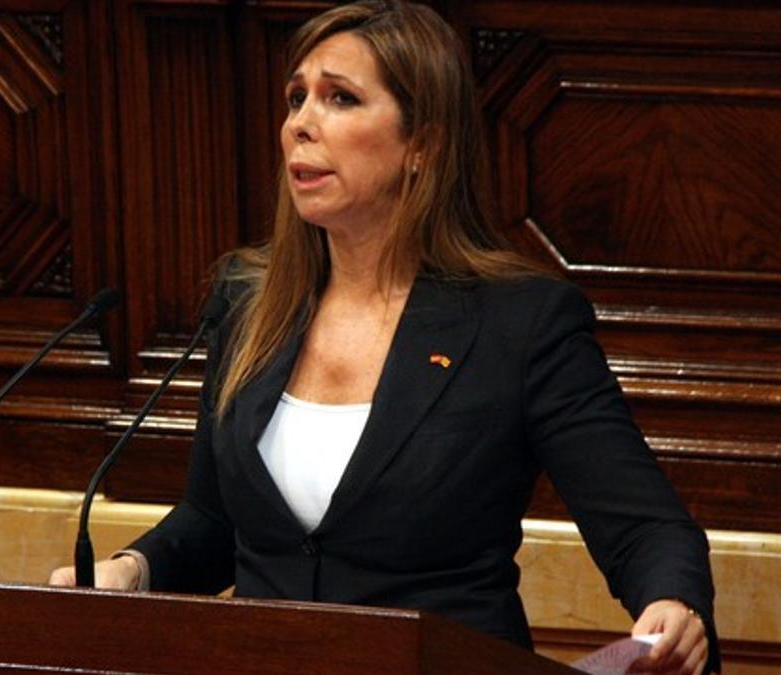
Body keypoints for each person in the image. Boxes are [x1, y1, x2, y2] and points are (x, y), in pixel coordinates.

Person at [51, 1, 719, 672]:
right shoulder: (248, 303)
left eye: (339, 98)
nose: (300, 125)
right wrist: (134, 569)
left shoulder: (519, 323)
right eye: (295, 98)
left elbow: (645, 527)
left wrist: (671, 600)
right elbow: (216, 520)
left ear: (423, 144)